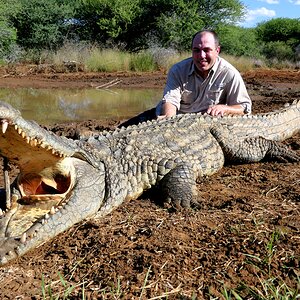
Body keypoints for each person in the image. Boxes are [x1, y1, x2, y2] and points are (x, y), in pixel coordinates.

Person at [119, 29, 251, 127]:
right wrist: (168, 121)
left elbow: (244, 108)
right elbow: (170, 100)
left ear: (217, 51)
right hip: (175, 119)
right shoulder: (178, 70)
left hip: (204, 125)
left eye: (207, 50)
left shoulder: (230, 73)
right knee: (120, 131)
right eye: (196, 50)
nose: (201, 56)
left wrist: (225, 108)